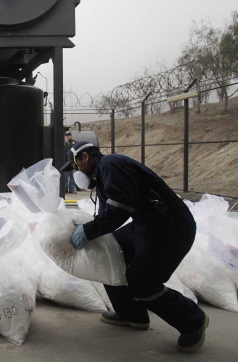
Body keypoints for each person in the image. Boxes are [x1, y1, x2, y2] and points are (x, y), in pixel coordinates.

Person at [60, 141, 208, 353]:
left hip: (170, 229)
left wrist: (90, 230)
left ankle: (193, 320)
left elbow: (119, 208)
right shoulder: (104, 173)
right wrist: (90, 227)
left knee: (143, 283)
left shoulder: (110, 165)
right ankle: (131, 313)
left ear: (85, 157)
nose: (76, 171)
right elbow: (107, 213)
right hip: (146, 225)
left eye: (75, 166)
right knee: (107, 250)